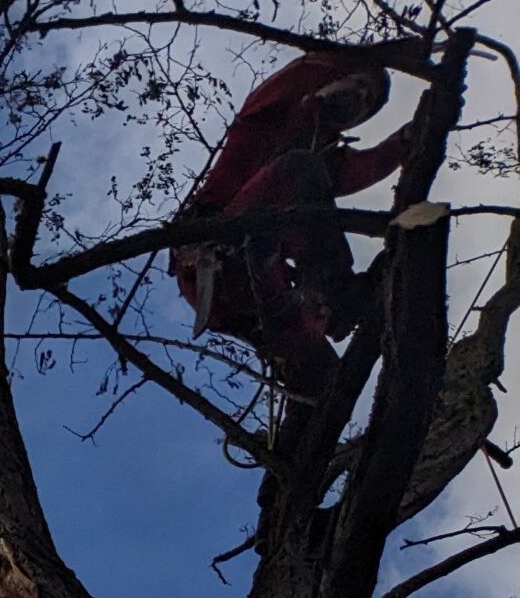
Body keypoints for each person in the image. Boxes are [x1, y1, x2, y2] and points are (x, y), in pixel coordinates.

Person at [172, 45, 423, 399]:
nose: (360, 99)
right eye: (358, 84)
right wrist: (384, 54)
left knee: (321, 379)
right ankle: (335, 288)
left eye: (368, 103)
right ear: (334, 76)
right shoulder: (274, 110)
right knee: (297, 169)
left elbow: (367, 166)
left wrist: (408, 138)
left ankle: (303, 438)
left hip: (257, 284)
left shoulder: (324, 160)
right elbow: (306, 69)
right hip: (215, 254)